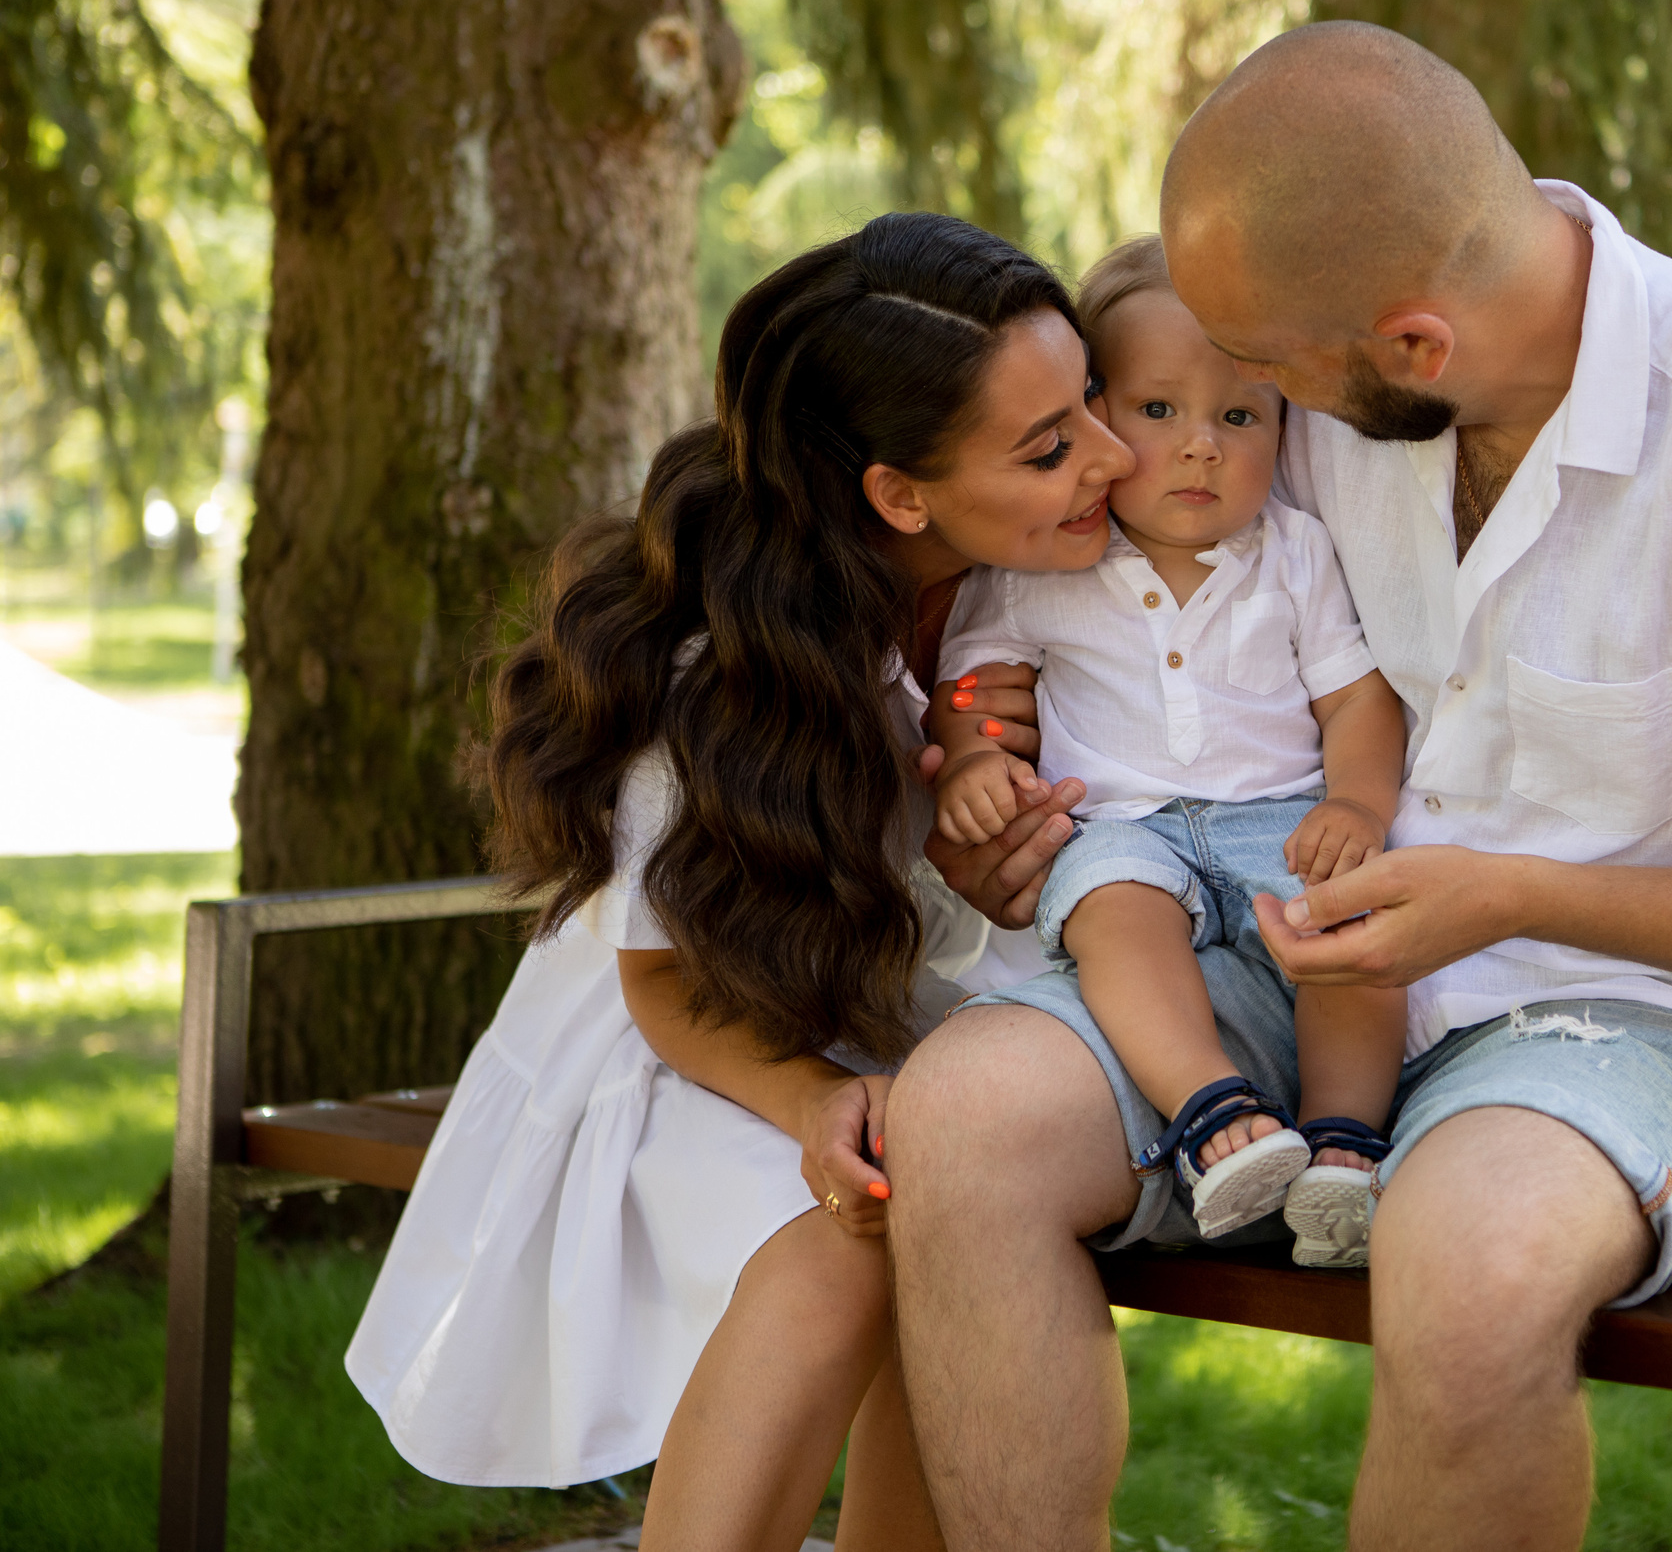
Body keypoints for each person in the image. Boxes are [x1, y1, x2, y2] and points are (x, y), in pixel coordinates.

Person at [886, 23, 1672, 1552]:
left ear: (1412, 345)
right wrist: (991, 756)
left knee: (1470, 1264)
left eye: (1268, 377)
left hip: (1629, 1005)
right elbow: (1089, 569)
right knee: (962, 1118)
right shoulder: (1359, 394)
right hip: (1305, 952)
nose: (1242, 418)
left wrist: (1509, 895)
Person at [345, 213, 1120, 1552]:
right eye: (1050, 445)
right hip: (688, 1053)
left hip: (891, 1026)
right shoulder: (716, 664)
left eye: (1093, 402)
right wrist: (817, 1097)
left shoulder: (1050, 594)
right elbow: (658, 978)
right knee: (860, 1232)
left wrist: (958, 879)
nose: (1112, 455)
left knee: (972, 1213)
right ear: (899, 493)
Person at [925, 235, 1409, 1258]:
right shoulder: (1047, 566)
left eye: (1239, 417)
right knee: (1113, 914)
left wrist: (1358, 808)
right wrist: (971, 756)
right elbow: (974, 678)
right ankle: (1210, 1111)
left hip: (1280, 818)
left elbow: (1357, 701)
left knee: (1351, 924)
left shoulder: (1292, 552)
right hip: (1122, 827)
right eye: (1159, 410)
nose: (1201, 445)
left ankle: (1345, 1142)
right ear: (1095, 414)